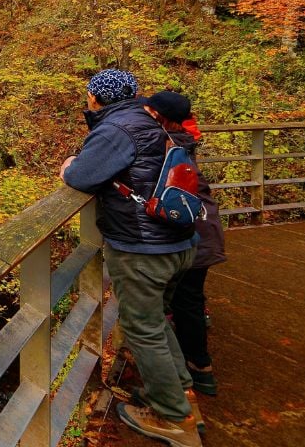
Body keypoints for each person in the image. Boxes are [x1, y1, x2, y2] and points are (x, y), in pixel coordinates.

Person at [60, 69, 201, 447]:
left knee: (143, 327)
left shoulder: (117, 129)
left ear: (95, 98)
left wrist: (69, 166)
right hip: (179, 241)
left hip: (144, 247)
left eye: (89, 94)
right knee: (154, 320)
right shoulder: (151, 121)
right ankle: (182, 396)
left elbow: (82, 177)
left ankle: (173, 420)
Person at [146, 90, 226, 397]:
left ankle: (196, 370)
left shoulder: (163, 144)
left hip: (192, 232)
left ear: (160, 117)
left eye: (150, 112)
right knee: (188, 298)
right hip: (203, 227)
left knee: (183, 299)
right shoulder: (183, 142)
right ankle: (196, 367)